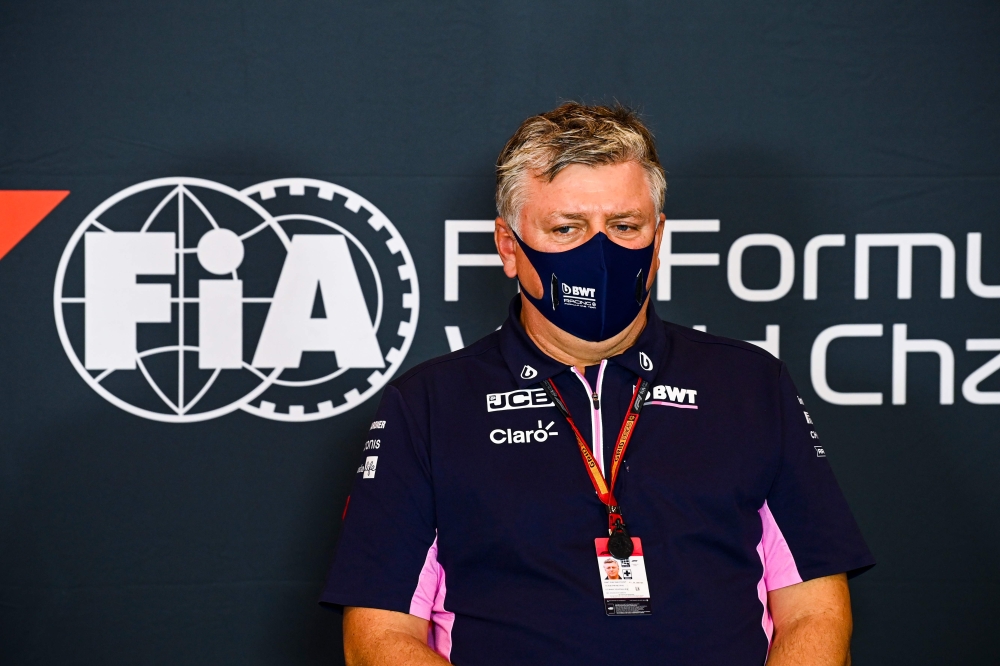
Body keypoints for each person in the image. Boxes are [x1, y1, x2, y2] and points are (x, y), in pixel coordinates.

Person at [320, 102, 874, 665]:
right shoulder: (429, 404)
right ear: (509, 247)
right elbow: (379, 637)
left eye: (624, 226)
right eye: (567, 228)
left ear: (657, 242)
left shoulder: (750, 384)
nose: (600, 252)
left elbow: (816, 611)